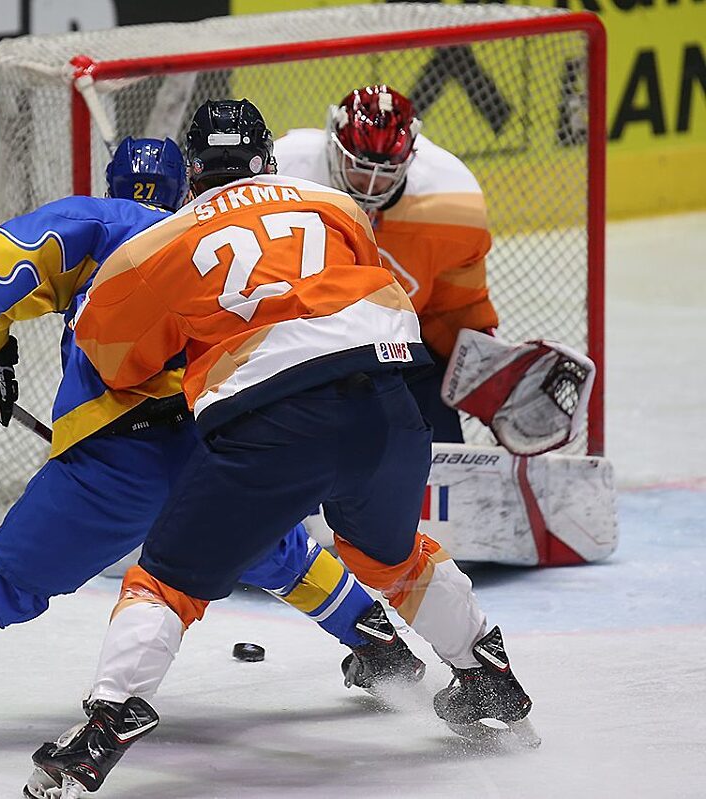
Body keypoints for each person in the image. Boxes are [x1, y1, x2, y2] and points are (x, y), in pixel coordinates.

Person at [0, 137, 424, 756]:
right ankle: (376, 642)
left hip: (112, 463)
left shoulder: (101, 221)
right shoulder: (211, 233)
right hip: (221, 446)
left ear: (114, 186)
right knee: (275, 552)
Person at [30, 100, 535, 798]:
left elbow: (120, 365)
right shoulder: (336, 206)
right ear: (267, 160)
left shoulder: (158, 241)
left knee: (165, 583)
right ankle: (488, 675)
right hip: (391, 404)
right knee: (390, 556)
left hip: (272, 426)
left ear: (194, 170)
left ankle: (108, 721)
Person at [274, 85, 498, 443]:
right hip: (296, 357)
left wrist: (486, 370)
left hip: (398, 359)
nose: (371, 184)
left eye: (386, 170)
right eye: (359, 167)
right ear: (334, 144)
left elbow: (454, 308)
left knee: (441, 461)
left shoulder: (452, 200)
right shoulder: (282, 173)